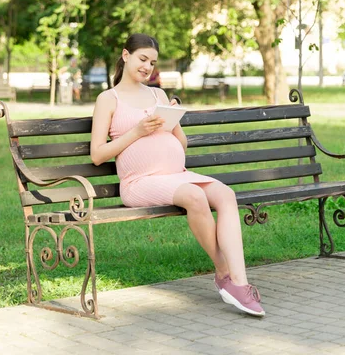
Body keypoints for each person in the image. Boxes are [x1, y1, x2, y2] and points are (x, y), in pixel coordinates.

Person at [90, 33, 265, 316]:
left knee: (226, 194)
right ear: (125, 56)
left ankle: (240, 282)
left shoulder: (157, 94)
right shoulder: (108, 99)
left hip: (176, 174)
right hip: (140, 182)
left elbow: (180, 143)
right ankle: (225, 274)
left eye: (153, 62)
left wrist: (173, 122)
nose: (148, 67)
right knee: (195, 196)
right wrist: (138, 131)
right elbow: (97, 154)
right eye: (142, 59)